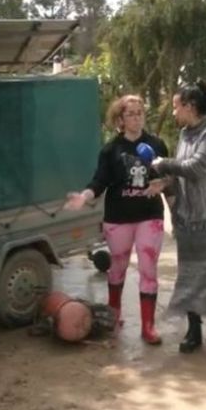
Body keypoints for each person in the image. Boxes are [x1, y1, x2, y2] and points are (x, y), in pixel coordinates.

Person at [64, 95, 169, 345]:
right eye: (130, 113)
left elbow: (169, 177)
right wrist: (84, 196)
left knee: (148, 271)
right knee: (117, 269)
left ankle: (148, 326)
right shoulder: (111, 150)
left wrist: (163, 184)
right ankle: (115, 314)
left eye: (140, 112)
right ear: (120, 119)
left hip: (149, 216)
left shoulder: (156, 144)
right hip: (118, 218)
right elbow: (99, 181)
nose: (136, 117)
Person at [151, 80, 206, 361]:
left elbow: (199, 167)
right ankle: (194, 332)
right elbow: (181, 173)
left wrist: (163, 163)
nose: (174, 113)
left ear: (190, 106)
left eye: (177, 107)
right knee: (189, 277)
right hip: (189, 219)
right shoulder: (185, 134)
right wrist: (165, 183)